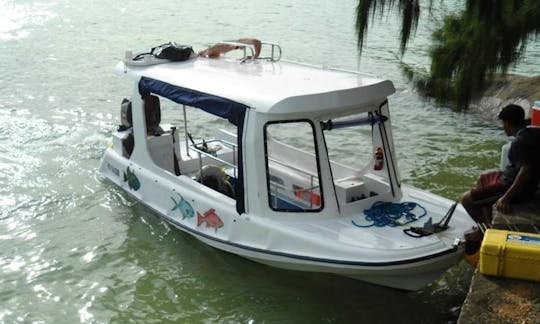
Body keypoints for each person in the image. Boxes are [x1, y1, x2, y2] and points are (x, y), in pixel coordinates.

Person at [461, 104, 540, 223]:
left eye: (503, 123)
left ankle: (484, 231)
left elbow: (526, 170)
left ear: (508, 123)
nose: (503, 127)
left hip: (513, 188)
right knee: (483, 178)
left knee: (466, 199)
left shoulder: (519, 143)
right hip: (512, 178)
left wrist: (506, 198)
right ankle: (486, 223)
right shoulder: (532, 132)